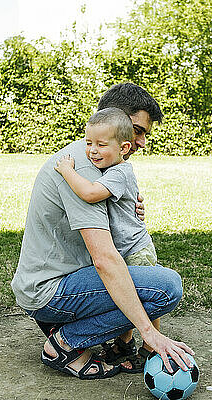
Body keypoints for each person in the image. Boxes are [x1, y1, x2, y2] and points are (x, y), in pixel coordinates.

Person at [10, 83, 194, 380]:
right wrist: (152, 334)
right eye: (137, 130)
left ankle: (107, 342)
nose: (142, 142)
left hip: (61, 280)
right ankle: (65, 342)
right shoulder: (84, 169)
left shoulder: (97, 163)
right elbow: (105, 259)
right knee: (167, 287)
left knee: (148, 277)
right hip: (50, 292)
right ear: (114, 121)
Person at [53, 107, 161, 373]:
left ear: (123, 147)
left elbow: (89, 193)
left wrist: (67, 170)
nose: (92, 151)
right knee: (128, 292)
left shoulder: (119, 172)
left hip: (136, 249)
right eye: (88, 143)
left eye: (101, 145)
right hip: (125, 247)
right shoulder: (112, 168)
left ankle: (150, 348)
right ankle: (124, 343)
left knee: (144, 298)